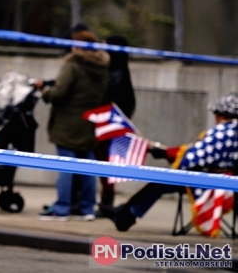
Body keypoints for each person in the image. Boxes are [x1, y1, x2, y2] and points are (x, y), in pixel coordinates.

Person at [101, 93, 238, 232]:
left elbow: (193, 157)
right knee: (160, 181)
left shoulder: (223, 131)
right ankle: (126, 212)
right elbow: (199, 152)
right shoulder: (233, 130)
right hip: (223, 179)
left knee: (160, 181)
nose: (215, 117)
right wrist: (168, 152)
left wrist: (166, 153)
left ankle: (126, 215)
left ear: (223, 114)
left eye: (216, 113)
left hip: (209, 182)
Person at [35, 30, 110, 221]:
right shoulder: (102, 67)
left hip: (68, 123)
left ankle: (62, 209)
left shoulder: (74, 65)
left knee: (66, 167)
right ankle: (87, 209)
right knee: (88, 168)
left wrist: (44, 92)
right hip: (89, 121)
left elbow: (60, 92)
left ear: (77, 47)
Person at [95, 35, 136, 209]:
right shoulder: (121, 70)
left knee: (105, 161)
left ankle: (106, 201)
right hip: (114, 123)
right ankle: (106, 198)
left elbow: (111, 99)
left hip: (110, 125)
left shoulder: (115, 73)